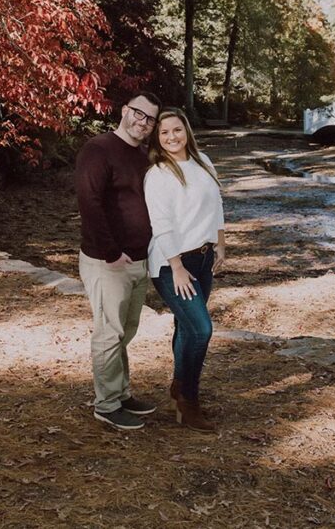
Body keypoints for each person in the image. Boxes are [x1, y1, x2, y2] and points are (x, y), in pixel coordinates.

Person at [75, 91, 162, 431]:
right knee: (109, 332)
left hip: (139, 260)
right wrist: (111, 252)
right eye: (139, 114)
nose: (144, 122)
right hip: (107, 262)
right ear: (125, 111)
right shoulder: (97, 150)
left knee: (125, 331)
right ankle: (107, 404)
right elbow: (89, 203)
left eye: (151, 119)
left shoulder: (143, 155)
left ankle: (121, 393)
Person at [144, 108, 225, 433]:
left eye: (177, 130)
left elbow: (216, 203)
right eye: (165, 133)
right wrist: (176, 266)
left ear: (187, 131)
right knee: (201, 329)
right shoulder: (159, 174)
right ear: (157, 138)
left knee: (186, 326)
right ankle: (188, 401)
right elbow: (160, 225)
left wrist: (221, 243)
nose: (172, 137)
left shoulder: (203, 161)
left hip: (203, 259)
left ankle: (179, 385)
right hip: (170, 263)